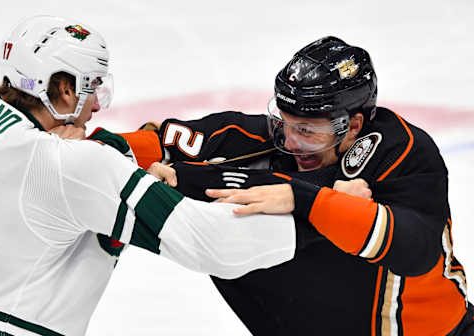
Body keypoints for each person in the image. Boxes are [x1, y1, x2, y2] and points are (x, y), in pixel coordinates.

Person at [0, 15, 308, 336]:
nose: (97, 106)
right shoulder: (74, 164)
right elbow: (212, 243)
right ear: (64, 90)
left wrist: (127, 153)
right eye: (93, 87)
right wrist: (323, 209)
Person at [145, 37, 473, 335]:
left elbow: (414, 252)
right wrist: (139, 152)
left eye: (305, 130)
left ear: (353, 126)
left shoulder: (401, 151)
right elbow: (180, 140)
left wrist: (303, 198)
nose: (290, 142)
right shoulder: (281, 142)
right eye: (283, 123)